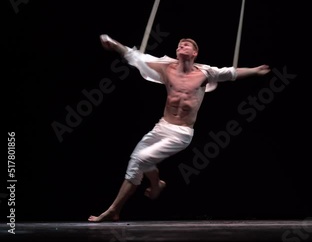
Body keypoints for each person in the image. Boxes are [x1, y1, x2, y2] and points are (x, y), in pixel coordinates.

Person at [88, 34, 270, 222]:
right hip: (162, 126)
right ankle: (115, 209)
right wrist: (114, 44)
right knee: (135, 164)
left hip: (181, 134)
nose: (182, 46)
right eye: (180, 45)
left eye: (187, 44)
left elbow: (231, 73)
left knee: (140, 158)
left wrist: (255, 70)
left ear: (195, 52)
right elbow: (137, 57)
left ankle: (154, 184)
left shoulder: (205, 73)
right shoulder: (167, 68)